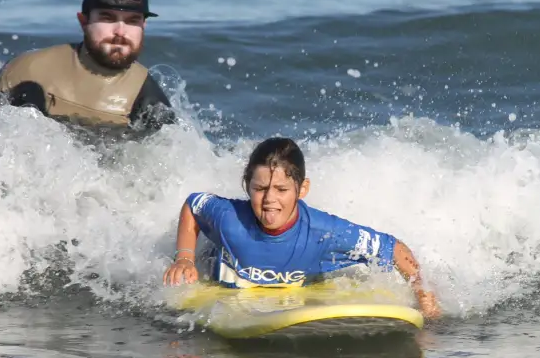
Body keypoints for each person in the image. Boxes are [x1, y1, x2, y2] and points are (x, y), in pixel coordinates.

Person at [162, 137, 442, 319]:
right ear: (246, 185)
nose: (270, 200)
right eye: (259, 189)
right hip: (224, 282)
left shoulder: (324, 233)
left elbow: (394, 248)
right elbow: (193, 205)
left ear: (302, 189)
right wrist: (185, 257)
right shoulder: (229, 218)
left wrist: (424, 296)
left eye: (282, 189)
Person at [0, 0, 175, 139]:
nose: (121, 31)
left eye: (132, 21)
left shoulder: (148, 99)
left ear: (143, 26)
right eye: (107, 18)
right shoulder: (29, 70)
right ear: (84, 21)